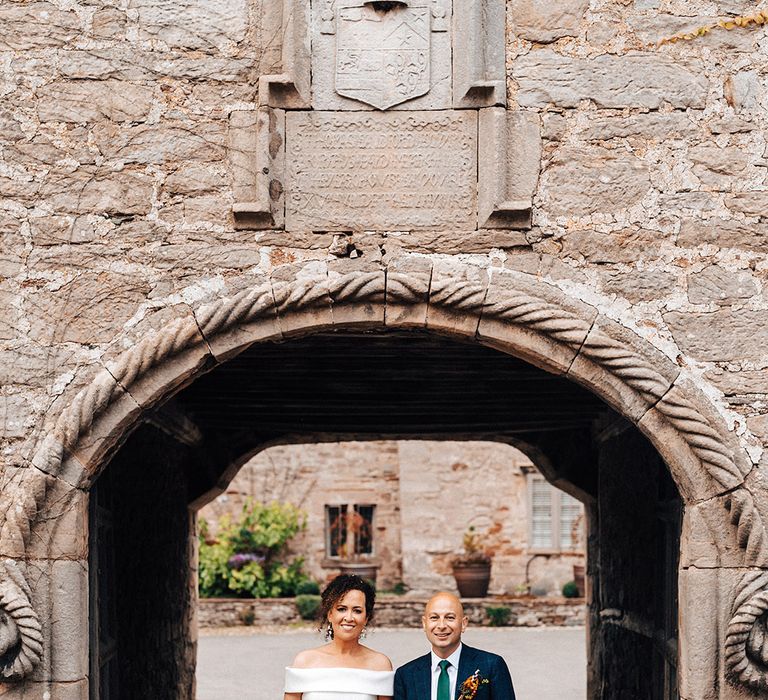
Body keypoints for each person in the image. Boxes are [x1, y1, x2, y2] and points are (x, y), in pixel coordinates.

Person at [284, 574, 394, 699]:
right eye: (342, 609)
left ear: (366, 618)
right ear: (330, 614)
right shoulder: (305, 661)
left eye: (357, 611)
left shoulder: (380, 664)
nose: (349, 618)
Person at [393, 592, 515, 700]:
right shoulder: (406, 675)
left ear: (463, 624)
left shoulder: (491, 666)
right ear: (424, 624)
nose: (441, 625)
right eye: (434, 618)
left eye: (450, 617)